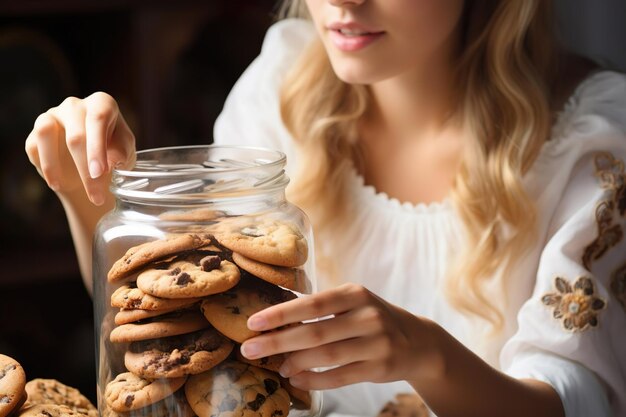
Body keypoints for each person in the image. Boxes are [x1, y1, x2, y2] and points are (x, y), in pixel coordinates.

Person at [25, 0, 626, 416]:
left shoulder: (592, 145)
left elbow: (577, 401)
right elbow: (170, 315)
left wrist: (428, 355)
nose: (343, 2)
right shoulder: (282, 88)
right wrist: (88, 188)